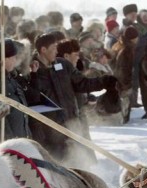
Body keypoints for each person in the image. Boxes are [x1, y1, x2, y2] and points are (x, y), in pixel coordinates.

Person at [30, 32, 118, 167]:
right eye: (53, 48)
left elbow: (82, 83)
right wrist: (33, 76)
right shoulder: (31, 70)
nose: (56, 51)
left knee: (79, 165)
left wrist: (103, 81)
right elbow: (32, 99)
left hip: (71, 124)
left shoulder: (63, 65)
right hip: (50, 131)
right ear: (43, 50)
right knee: (59, 168)